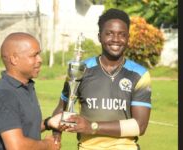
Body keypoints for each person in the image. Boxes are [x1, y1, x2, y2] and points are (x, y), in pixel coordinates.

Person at [53, 8, 152, 150]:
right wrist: (56, 136)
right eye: (109, 34)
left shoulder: (139, 74)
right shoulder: (80, 69)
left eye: (122, 34)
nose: (116, 39)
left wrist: (92, 127)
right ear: (99, 36)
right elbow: (62, 108)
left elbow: (139, 126)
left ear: (128, 38)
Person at [0, 32, 61, 150]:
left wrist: (48, 123)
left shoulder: (25, 86)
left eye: (39, 54)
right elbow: (16, 146)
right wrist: (48, 145)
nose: (40, 60)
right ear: (14, 59)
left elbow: (24, 128)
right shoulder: (5, 94)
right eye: (34, 55)